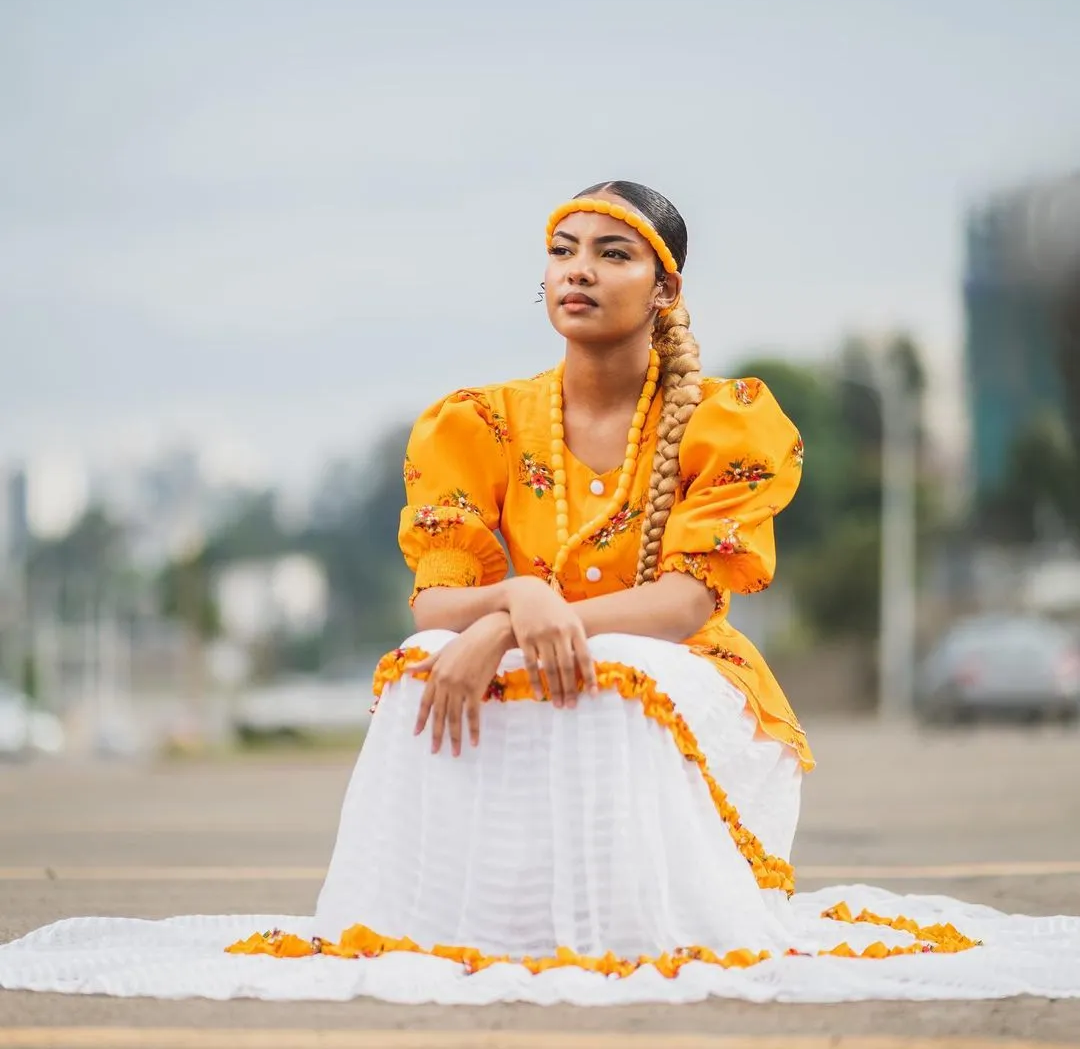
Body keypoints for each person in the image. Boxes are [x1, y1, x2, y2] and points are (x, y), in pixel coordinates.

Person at [1, 181, 1077, 1005]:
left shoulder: (726, 421)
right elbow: (434, 608)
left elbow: (690, 607)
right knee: (424, 665)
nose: (579, 269)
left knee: (616, 666)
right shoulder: (476, 422)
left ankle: (636, 918)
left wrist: (525, 617)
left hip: (691, 680)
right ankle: (435, 921)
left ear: (665, 289)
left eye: (614, 253)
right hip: (529, 637)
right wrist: (520, 599)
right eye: (562, 250)